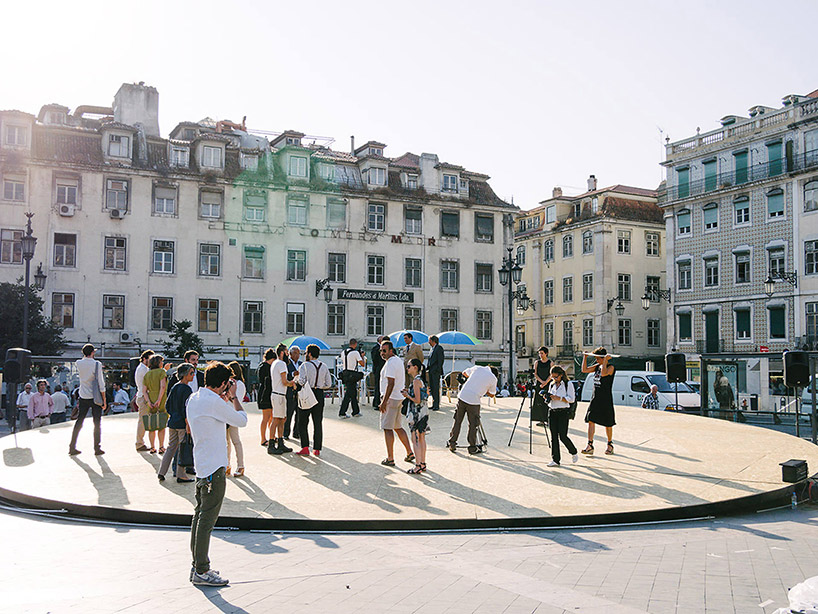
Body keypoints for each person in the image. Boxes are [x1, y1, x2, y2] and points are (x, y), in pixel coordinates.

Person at [187, 361, 247, 586]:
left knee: (199, 516)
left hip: (202, 464)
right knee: (207, 521)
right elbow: (241, 420)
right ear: (223, 383)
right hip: (215, 468)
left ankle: (197, 566)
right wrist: (233, 398)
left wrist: (222, 399)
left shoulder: (194, 398)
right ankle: (202, 570)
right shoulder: (215, 402)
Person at [378, 340, 414, 466]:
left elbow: (390, 383)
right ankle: (409, 452)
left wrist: (384, 401)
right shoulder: (396, 360)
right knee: (397, 427)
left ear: (391, 351)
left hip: (391, 399)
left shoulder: (391, 363)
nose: (382, 353)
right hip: (397, 398)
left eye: (384, 350)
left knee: (387, 428)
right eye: (381, 350)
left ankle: (390, 458)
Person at [448, 365, 498, 455]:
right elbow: (492, 394)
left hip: (462, 396)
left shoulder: (477, 368)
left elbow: (464, 373)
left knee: (457, 421)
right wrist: (484, 388)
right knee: (473, 425)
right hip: (474, 401)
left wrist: (473, 379)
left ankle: (452, 443)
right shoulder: (493, 378)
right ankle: (472, 447)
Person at [158, 363, 195, 483]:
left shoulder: (175, 387)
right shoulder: (187, 389)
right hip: (182, 423)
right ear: (185, 375)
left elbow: (167, 405)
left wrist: (173, 415)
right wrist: (187, 423)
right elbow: (186, 409)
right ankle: (181, 474)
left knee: (171, 447)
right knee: (182, 448)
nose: (193, 375)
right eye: (191, 373)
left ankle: (162, 471)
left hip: (173, 421)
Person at [69, 343, 107, 456]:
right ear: (92, 352)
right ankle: (97, 448)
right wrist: (104, 400)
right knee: (97, 423)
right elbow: (101, 383)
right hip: (95, 397)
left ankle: (72, 446)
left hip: (83, 395)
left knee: (79, 421)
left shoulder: (78, 363)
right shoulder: (97, 364)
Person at [296, 343, 332, 456]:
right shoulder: (324, 366)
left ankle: (305, 447)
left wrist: (296, 379)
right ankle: (317, 448)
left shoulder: (304, 366)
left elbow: (301, 381)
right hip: (319, 393)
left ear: (310, 354)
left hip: (308, 393)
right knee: (317, 422)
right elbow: (329, 384)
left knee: (302, 421)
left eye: (306, 353)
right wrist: (320, 386)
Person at [581, 347, 616, 456]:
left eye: (598, 358)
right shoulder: (597, 367)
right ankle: (590, 445)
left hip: (605, 399)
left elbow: (604, 374)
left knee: (608, 423)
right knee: (591, 421)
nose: (596, 360)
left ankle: (610, 444)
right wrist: (585, 358)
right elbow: (584, 370)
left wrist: (605, 361)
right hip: (595, 398)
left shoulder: (610, 367)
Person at [546, 366, 578, 467]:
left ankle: (573, 451)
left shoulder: (568, 384)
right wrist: (547, 397)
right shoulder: (552, 385)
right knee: (553, 436)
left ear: (561, 375)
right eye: (552, 377)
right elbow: (549, 399)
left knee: (563, 436)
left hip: (563, 412)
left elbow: (571, 399)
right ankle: (555, 459)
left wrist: (559, 398)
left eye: (556, 377)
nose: (554, 379)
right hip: (552, 411)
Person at [402, 358, 429, 474]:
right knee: (422, 438)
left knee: (415, 439)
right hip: (423, 412)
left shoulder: (416, 381)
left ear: (415, 367)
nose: (407, 368)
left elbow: (417, 400)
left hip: (416, 413)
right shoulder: (420, 380)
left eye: (409, 366)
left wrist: (407, 395)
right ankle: (422, 463)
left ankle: (418, 465)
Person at [268, 344, 296, 455]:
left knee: (281, 419)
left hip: (277, 394)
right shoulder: (282, 364)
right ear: (282, 352)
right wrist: (292, 383)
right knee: (277, 419)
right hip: (279, 394)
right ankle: (272, 444)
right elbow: (285, 382)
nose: (288, 354)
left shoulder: (275, 363)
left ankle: (280, 442)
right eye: (287, 351)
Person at [142, 354, 169, 454]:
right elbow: (163, 387)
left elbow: (144, 390)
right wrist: (159, 400)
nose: (162, 363)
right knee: (161, 424)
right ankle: (161, 446)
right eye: (161, 361)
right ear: (158, 363)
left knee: (151, 425)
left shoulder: (147, 374)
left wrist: (149, 401)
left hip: (150, 399)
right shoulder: (162, 372)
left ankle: (152, 447)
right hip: (161, 399)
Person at [225, 361, 246, 477]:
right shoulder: (229, 383)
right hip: (225, 414)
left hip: (233, 414)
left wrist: (228, 396)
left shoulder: (239, 384)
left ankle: (240, 465)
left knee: (235, 441)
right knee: (226, 442)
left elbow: (236, 400)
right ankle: (227, 464)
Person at [134, 349, 155, 451]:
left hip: (142, 396)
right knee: (143, 421)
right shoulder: (144, 370)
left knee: (143, 421)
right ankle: (139, 443)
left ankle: (140, 442)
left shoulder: (142, 368)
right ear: (144, 359)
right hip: (143, 397)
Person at [339, 338, 365, 418]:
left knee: (352, 393)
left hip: (345, 373)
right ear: (355, 344)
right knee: (349, 394)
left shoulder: (343, 352)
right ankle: (342, 412)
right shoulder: (355, 352)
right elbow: (362, 364)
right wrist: (362, 356)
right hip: (352, 374)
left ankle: (356, 411)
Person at [283, 346, 302, 439]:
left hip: (299, 391)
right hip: (289, 391)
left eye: (298, 353)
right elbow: (285, 376)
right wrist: (292, 374)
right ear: (290, 354)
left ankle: (296, 432)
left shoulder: (301, 364)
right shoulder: (286, 364)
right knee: (288, 413)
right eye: (295, 353)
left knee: (299, 414)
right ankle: (285, 433)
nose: (297, 355)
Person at [257, 348, 275, 446]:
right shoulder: (265, 367)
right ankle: (263, 439)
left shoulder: (263, 366)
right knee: (266, 417)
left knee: (271, 417)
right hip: (265, 395)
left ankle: (271, 436)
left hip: (267, 394)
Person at [533, 346, 553, 425]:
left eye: (542, 353)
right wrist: (541, 382)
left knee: (548, 401)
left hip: (548, 384)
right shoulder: (537, 362)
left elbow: (551, 374)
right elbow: (535, 373)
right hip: (539, 383)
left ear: (546, 353)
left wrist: (545, 382)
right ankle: (540, 419)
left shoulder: (550, 363)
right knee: (539, 401)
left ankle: (548, 420)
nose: (540, 355)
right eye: (539, 353)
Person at [427, 335, 444, 411]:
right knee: (433, 388)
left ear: (433, 341)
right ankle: (434, 404)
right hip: (431, 371)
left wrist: (437, 370)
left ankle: (436, 405)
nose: (428, 342)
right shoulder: (432, 349)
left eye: (429, 340)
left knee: (436, 388)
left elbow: (440, 360)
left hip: (435, 372)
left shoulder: (439, 348)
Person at [370, 335, 386, 409]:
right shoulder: (376, 348)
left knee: (380, 386)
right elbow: (375, 359)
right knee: (378, 386)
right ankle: (376, 403)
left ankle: (377, 401)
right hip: (378, 369)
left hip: (380, 368)